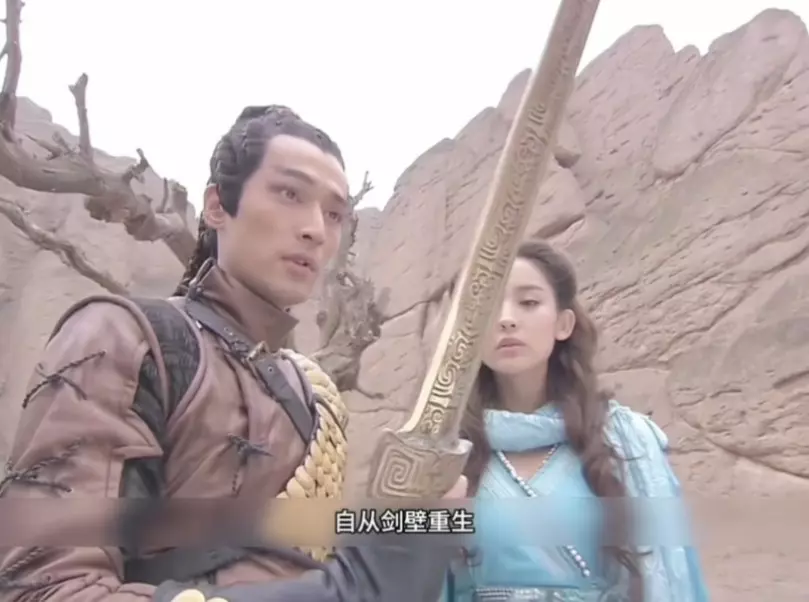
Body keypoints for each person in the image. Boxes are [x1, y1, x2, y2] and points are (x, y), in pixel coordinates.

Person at [0, 104, 466, 602]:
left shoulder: (312, 393)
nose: (315, 229)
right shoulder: (125, 337)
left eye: (334, 214)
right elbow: (44, 586)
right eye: (289, 194)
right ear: (217, 206)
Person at [440, 239, 710, 602]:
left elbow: (673, 576)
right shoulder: (447, 452)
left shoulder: (626, 439)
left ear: (563, 323)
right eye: (487, 306)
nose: (506, 319)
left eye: (528, 303)